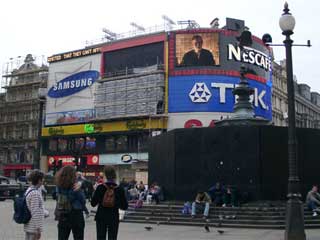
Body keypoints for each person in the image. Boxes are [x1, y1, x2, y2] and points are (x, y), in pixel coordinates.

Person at [91, 165, 128, 240]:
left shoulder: (100, 187)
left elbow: (93, 203)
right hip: (113, 217)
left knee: (100, 237)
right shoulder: (120, 189)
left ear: (105, 175)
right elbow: (124, 206)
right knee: (112, 237)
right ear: (115, 175)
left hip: (101, 216)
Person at [55, 166, 87, 240]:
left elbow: (57, 197)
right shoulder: (76, 186)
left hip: (63, 213)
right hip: (76, 213)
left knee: (62, 237)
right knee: (78, 237)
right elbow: (83, 200)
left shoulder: (59, 185)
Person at [24, 169, 47, 240]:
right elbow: (35, 211)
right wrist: (38, 228)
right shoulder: (35, 193)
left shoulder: (29, 190)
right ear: (39, 180)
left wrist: (45, 212)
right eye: (42, 179)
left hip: (29, 225)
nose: (43, 180)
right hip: (33, 227)